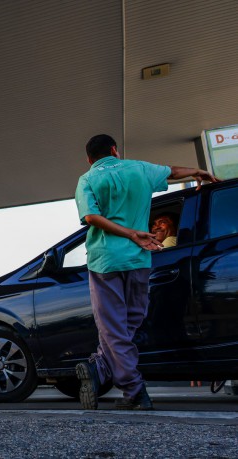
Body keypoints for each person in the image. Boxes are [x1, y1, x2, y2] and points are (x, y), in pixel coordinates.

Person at [74, 134, 217, 411]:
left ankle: (124, 383)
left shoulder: (87, 179)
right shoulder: (138, 168)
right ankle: (109, 373)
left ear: (90, 159)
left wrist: (129, 234)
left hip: (106, 261)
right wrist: (199, 171)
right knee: (131, 319)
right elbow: (173, 172)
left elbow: (90, 217)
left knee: (115, 326)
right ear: (115, 150)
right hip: (139, 260)